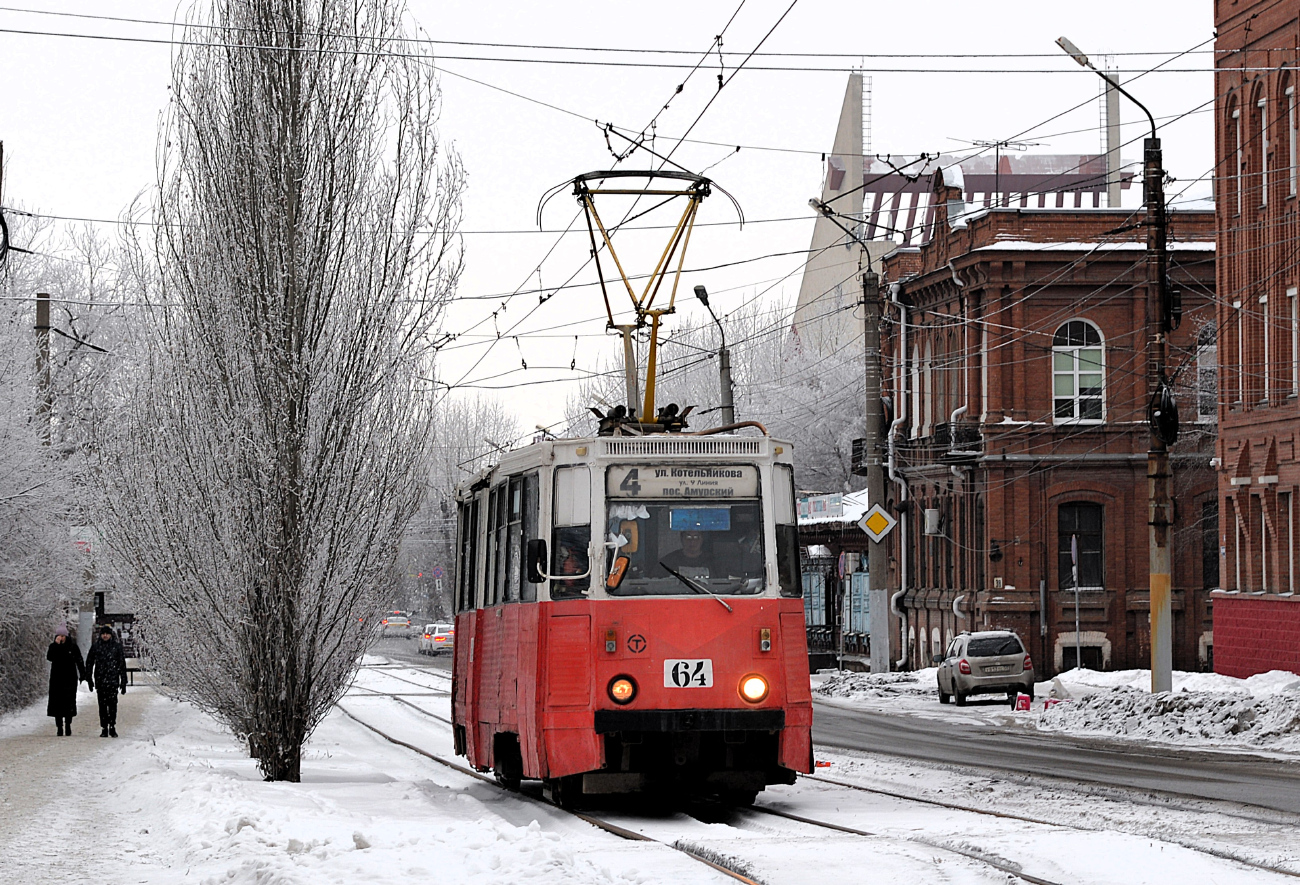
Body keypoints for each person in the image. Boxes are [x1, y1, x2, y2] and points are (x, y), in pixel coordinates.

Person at [85, 624, 127, 738]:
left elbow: (122, 664)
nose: (105, 636)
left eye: (107, 634)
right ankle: (104, 727)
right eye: (103, 634)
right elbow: (89, 663)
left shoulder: (116, 647)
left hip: (113, 680)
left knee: (113, 705)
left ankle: (112, 726)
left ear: (110, 635)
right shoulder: (96, 647)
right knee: (102, 705)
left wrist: (123, 682)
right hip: (100, 680)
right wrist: (89, 679)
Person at [46, 626, 86, 737]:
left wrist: (83, 674)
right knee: (56, 703)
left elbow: (79, 660)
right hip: (56, 679)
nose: (61, 638)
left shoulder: (72, 647)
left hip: (69, 678)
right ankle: (59, 727)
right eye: (59, 636)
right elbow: (50, 657)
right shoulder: (53, 647)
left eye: (63, 636)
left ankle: (68, 725)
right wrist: (56, 645)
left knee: (69, 702)